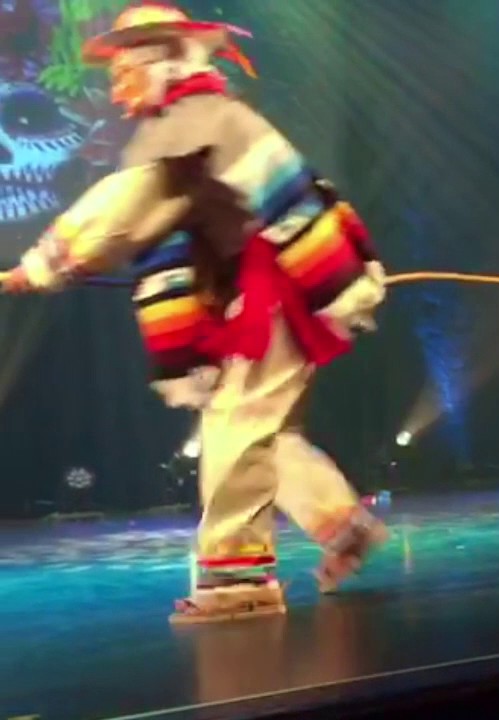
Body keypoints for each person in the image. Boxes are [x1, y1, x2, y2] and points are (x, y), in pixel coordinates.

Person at [2, 4, 388, 623]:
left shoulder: (192, 123)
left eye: (126, 74)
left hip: (271, 296)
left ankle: (240, 583)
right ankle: (342, 525)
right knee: (260, 429)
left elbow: (123, 210)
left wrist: (43, 265)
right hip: (265, 291)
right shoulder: (205, 119)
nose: (118, 91)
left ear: (160, 63)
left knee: (238, 430)